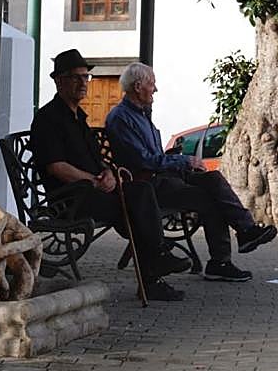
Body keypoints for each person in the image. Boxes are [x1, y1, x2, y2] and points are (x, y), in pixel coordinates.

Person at [30, 49, 191, 301]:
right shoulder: (48, 118)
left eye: (86, 77)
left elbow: (98, 159)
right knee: (137, 203)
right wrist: (94, 180)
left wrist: (108, 173)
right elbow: (56, 167)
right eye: (76, 77)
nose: (83, 82)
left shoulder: (79, 117)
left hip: (94, 190)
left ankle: (155, 266)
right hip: (70, 199)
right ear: (59, 80)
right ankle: (155, 266)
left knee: (140, 191)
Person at [104, 62, 277, 283]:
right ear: (138, 87)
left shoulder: (142, 114)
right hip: (147, 185)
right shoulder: (121, 117)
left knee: (212, 179)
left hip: (163, 177)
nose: (155, 89)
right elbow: (143, 161)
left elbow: (153, 156)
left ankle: (245, 231)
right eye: (152, 84)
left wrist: (176, 158)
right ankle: (224, 258)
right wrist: (182, 161)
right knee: (209, 199)